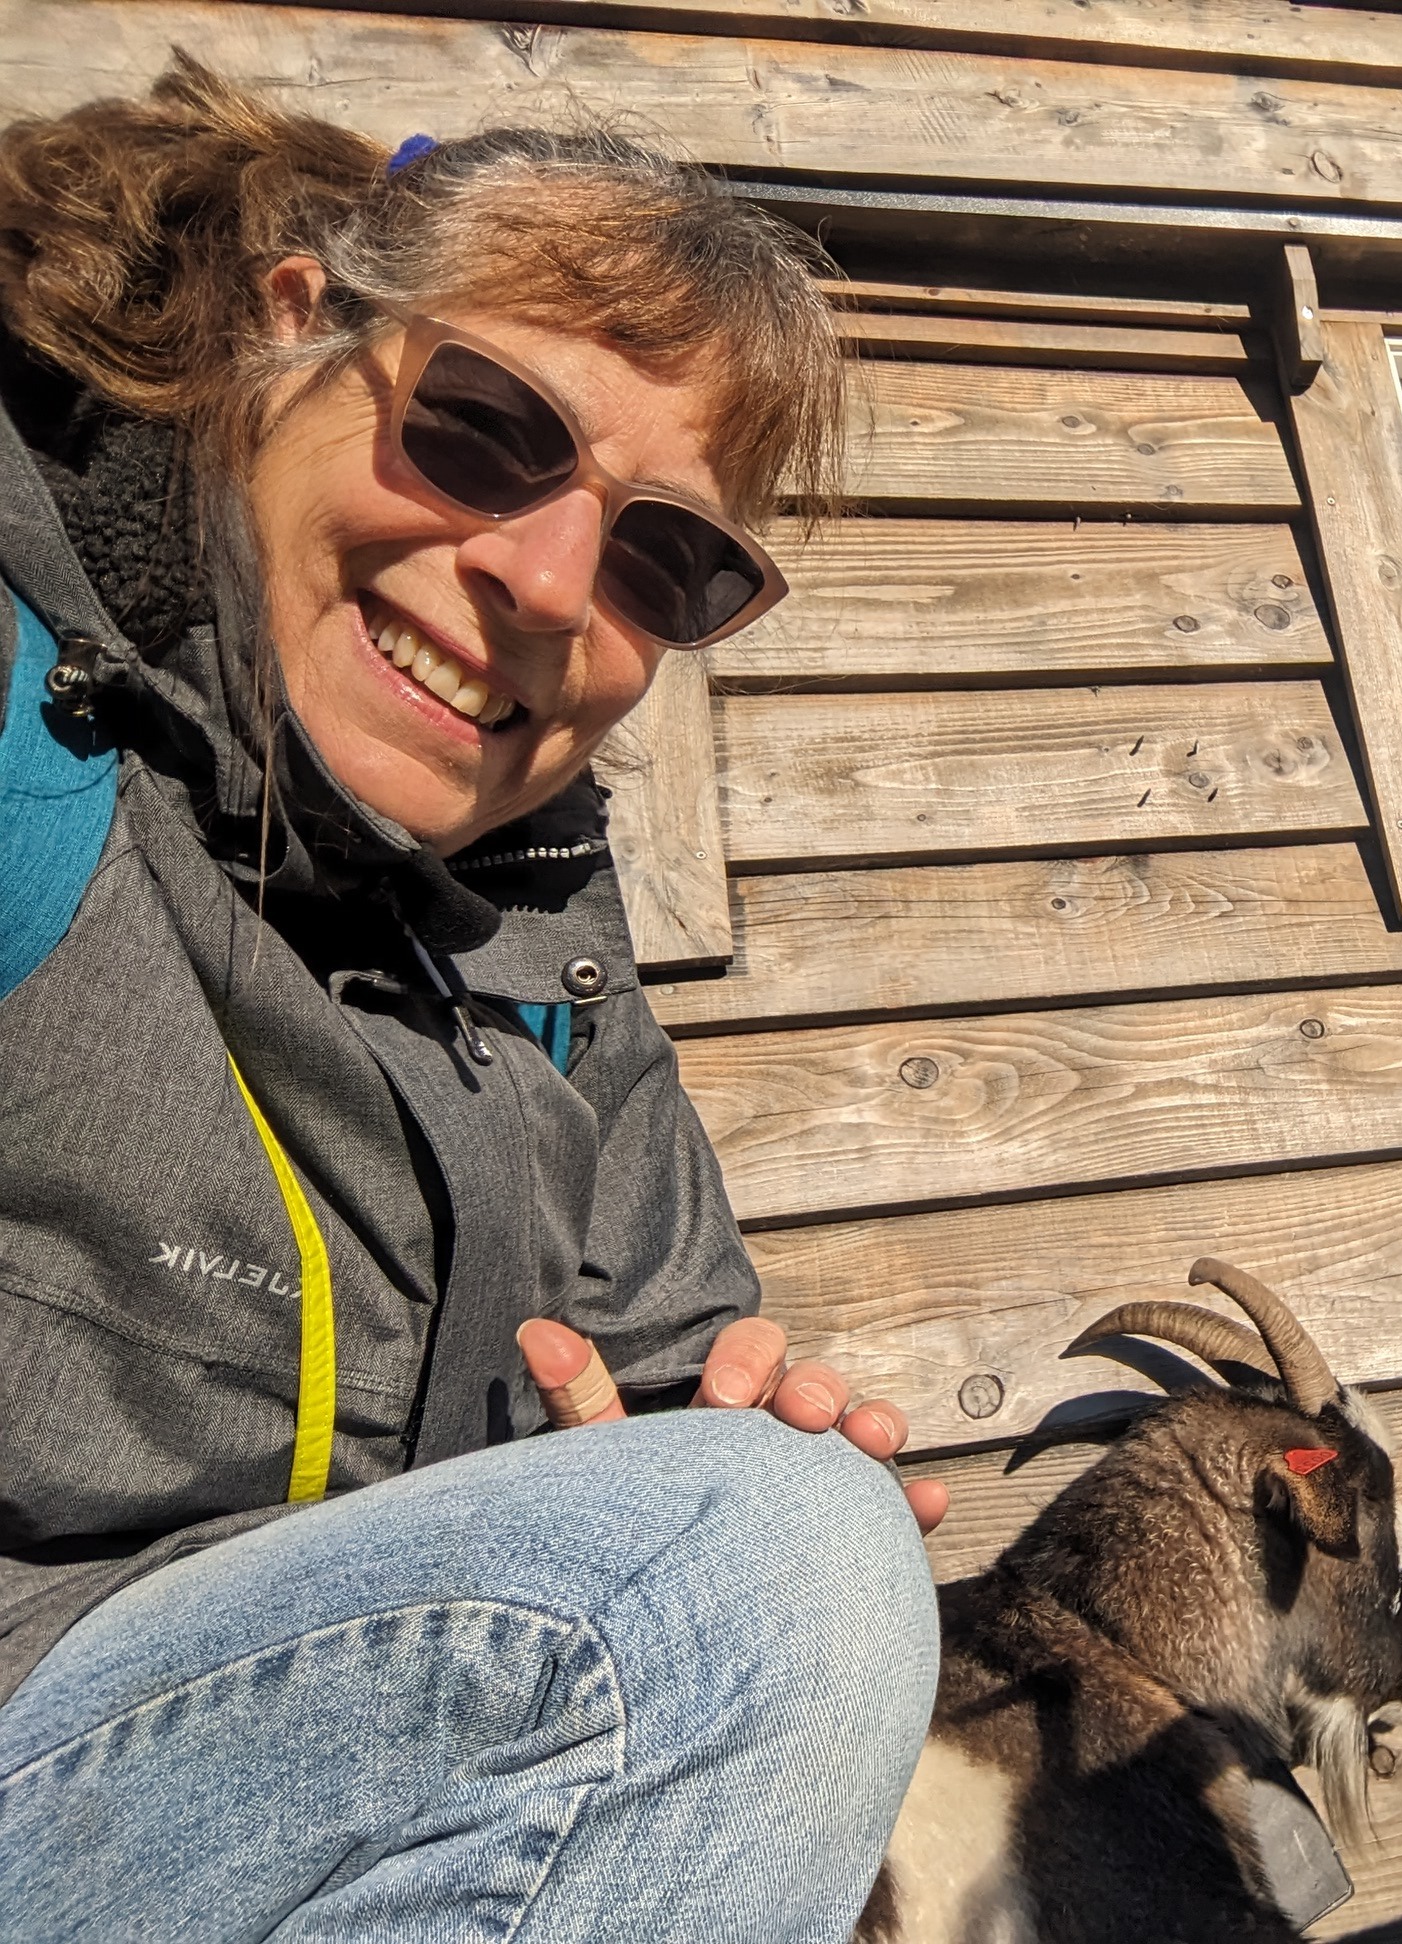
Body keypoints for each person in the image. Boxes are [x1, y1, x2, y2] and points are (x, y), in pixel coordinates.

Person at [0, 57, 944, 1941]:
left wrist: (719, 1440)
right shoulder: (36, 737)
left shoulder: (541, 936)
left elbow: (673, 1368)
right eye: (487, 429)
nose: (542, 582)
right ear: (292, 333)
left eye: (665, 559)